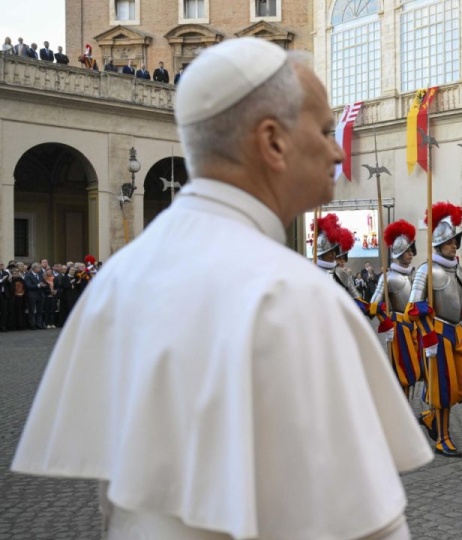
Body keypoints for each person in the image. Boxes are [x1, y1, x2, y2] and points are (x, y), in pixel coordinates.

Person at [12, 37, 432, 539]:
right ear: (272, 141)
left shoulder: (118, 279)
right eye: (322, 130)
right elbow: (368, 525)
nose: (336, 149)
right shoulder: (292, 295)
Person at [406, 202, 462, 458]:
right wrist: (428, 335)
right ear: (439, 244)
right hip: (437, 334)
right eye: (450, 242)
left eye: (455, 241)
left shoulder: (460, 271)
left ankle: (430, 418)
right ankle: (443, 437)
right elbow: (414, 307)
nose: (454, 245)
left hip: (457, 333)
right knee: (442, 387)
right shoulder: (426, 270)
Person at [368, 219, 423, 394]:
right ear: (399, 253)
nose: (410, 254)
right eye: (407, 251)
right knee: (401, 371)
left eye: (411, 250)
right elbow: (374, 305)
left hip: (415, 326)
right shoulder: (388, 278)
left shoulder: (415, 275)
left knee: (416, 368)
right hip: (398, 328)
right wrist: (386, 323)